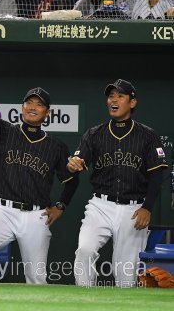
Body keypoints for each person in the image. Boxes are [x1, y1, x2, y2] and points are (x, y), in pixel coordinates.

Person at [0, 82, 79, 284]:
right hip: (4, 212)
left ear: (47, 112)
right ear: (22, 107)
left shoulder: (55, 146)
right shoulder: (4, 131)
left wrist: (60, 206)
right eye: (29, 103)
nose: (32, 107)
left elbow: (71, 181)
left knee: (36, 278)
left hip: (36, 216)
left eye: (39, 104)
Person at [68, 79, 167, 287]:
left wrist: (147, 208)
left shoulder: (147, 136)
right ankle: (84, 303)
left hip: (133, 208)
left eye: (120, 96)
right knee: (85, 250)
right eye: (111, 95)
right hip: (100, 205)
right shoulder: (94, 134)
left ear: (132, 103)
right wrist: (73, 164)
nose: (113, 99)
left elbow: (157, 175)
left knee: (125, 273)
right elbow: (76, 162)